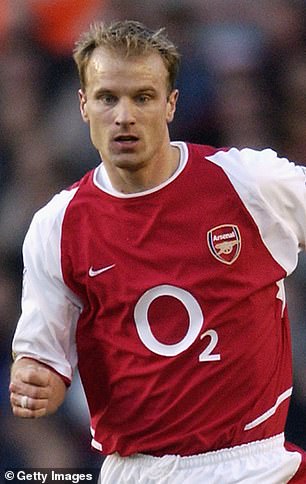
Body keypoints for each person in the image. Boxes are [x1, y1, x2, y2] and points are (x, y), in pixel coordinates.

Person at [9, 19, 306, 483]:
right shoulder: (58, 224)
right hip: (137, 471)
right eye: (108, 97)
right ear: (84, 105)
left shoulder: (249, 183)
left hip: (256, 464)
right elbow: (41, 354)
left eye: (142, 97)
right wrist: (35, 378)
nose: (123, 115)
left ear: (170, 104)